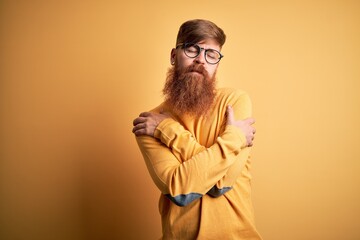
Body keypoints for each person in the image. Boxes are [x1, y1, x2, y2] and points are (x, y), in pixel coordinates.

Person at [132, 19, 262, 239]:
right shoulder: (149, 122)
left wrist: (166, 130)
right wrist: (234, 138)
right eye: (192, 49)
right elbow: (179, 190)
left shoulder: (234, 102)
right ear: (174, 56)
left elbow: (221, 183)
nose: (201, 60)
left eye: (211, 54)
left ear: (217, 64)